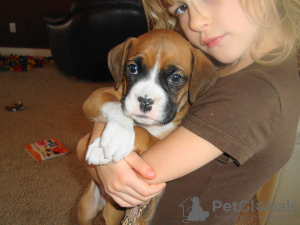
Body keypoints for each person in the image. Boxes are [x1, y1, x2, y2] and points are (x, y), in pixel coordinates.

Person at [77, 0, 300, 224]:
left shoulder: (254, 97)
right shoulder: (223, 58)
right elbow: (103, 102)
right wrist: (114, 122)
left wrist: (97, 141)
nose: (196, 21)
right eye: (182, 8)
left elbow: (125, 175)